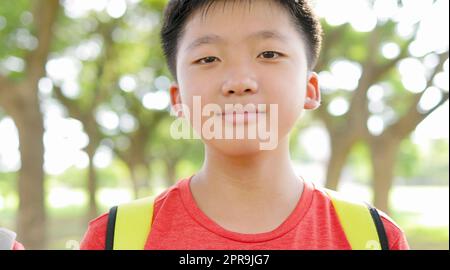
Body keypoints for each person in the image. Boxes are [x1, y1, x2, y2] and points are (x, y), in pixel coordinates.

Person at [80, 0, 409, 250]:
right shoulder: (114, 237)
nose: (238, 82)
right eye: (207, 59)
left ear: (310, 90)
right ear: (177, 99)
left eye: (268, 53)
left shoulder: (373, 236)